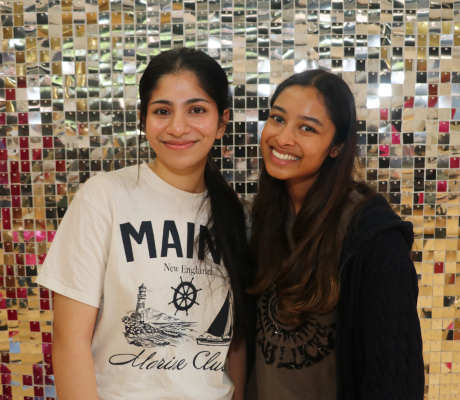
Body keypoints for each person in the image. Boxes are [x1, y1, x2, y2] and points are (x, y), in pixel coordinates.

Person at [36, 48, 250, 400]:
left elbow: (236, 339)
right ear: (143, 119)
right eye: (162, 111)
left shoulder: (235, 214)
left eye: (196, 110)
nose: (177, 127)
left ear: (222, 122)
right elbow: (69, 340)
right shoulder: (104, 196)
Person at [246, 69, 424, 399]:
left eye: (307, 128)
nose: (283, 138)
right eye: (277, 118)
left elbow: (396, 377)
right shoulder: (262, 218)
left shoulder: (372, 236)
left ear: (336, 146)